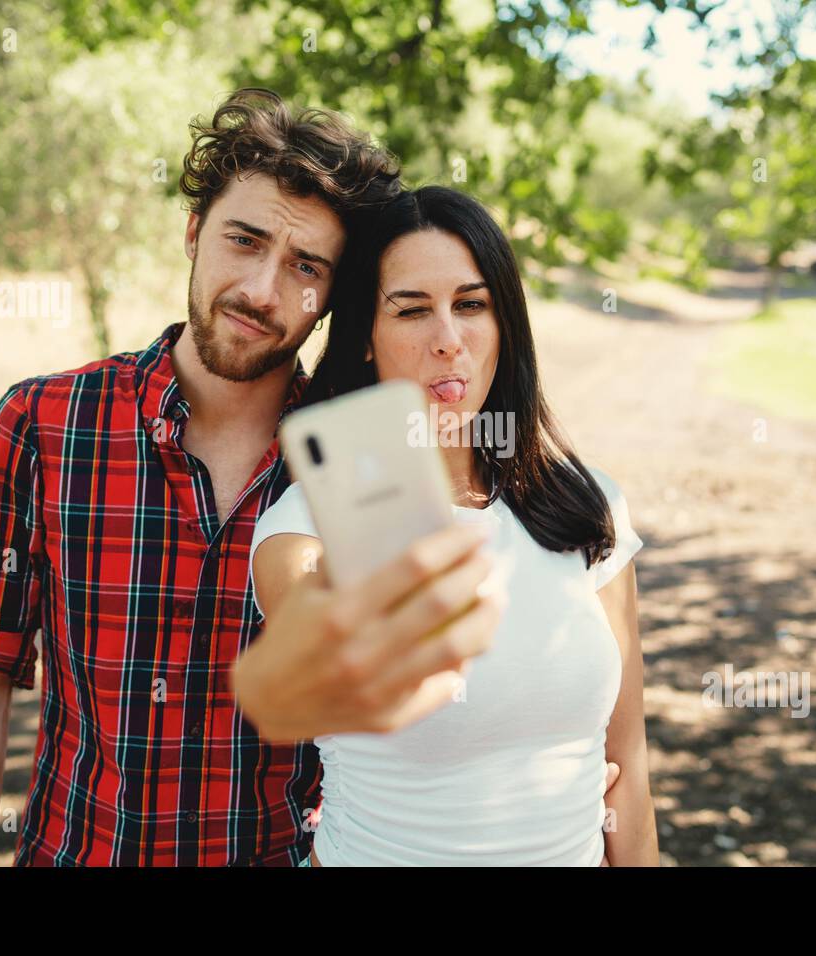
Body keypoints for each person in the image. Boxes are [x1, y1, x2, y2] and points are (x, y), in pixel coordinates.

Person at [0, 88, 501, 866]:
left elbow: (429, 692)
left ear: (332, 296)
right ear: (194, 231)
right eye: (244, 239)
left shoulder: (363, 467)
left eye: (306, 266)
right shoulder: (42, 424)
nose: (264, 291)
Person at [249, 186, 659, 866]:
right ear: (367, 342)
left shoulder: (589, 508)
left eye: (472, 305)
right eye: (411, 311)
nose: (448, 340)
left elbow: (628, 763)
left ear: (505, 324)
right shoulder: (308, 527)